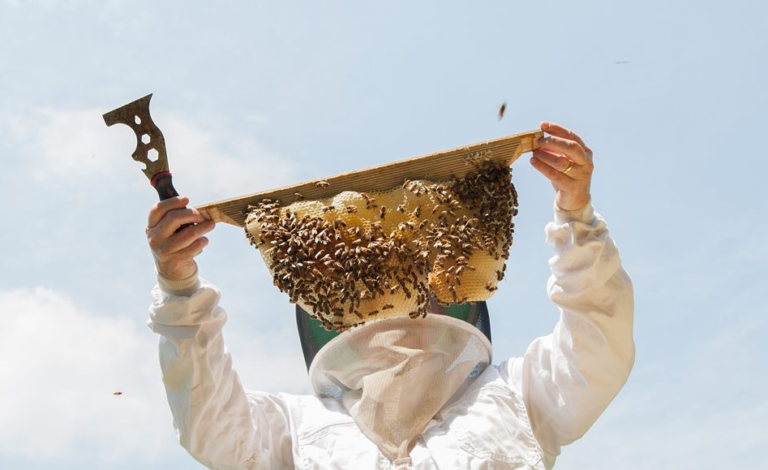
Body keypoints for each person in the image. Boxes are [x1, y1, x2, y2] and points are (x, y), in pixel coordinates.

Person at [146, 122, 635, 470]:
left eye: (419, 290)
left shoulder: (520, 395)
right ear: (330, 317)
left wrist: (578, 219)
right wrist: (179, 286)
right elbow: (208, 425)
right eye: (372, 292)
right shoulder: (292, 428)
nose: (402, 307)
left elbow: (598, 343)